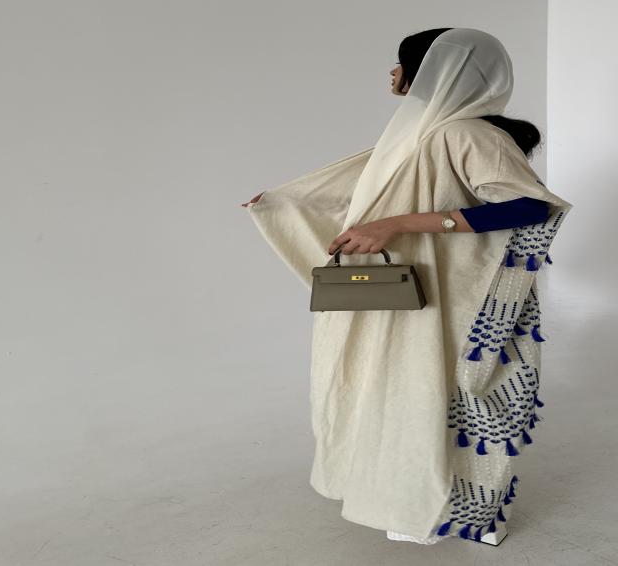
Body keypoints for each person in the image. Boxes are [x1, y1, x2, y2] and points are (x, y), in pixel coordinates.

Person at [242, 28, 572, 546]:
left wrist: (398, 225)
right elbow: (357, 191)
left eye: (402, 63)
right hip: (407, 291)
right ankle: (408, 498)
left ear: (437, 71)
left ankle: (467, 513)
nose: (393, 74)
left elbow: (529, 206)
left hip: (457, 296)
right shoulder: (420, 134)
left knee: (449, 397)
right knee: (404, 394)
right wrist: (285, 202)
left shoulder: (465, 134)